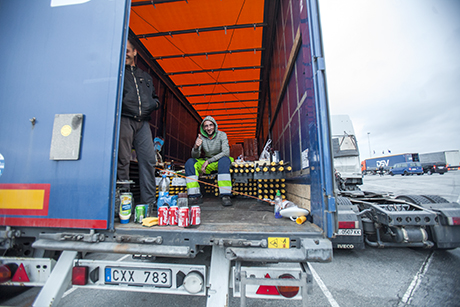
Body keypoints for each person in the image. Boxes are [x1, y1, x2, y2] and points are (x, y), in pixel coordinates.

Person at [117, 39, 160, 213]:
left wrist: (152, 104)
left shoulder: (145, 76)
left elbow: (155, 99)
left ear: (135, 52)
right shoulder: (117, 73)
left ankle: (149, 203)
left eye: (128, 51)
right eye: (123, 51)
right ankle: (123, 202)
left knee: (149, 160)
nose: (125, 54)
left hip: (143, 123)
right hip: (125, 119)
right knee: (123, 160)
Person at [185, 116, 233, 206]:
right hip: (207, 163)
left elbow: (226, 152)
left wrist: (209, 161)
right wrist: (196, 147)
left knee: (225, 160)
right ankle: (194, 195)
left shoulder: (222, 135)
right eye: (206, 126)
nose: (209, 128)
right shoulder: (200, 137)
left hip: (219, 161)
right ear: (203, 128)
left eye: (211, 125)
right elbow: (195, 156)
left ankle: (225, 195)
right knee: (190, 162)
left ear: (215, 126)